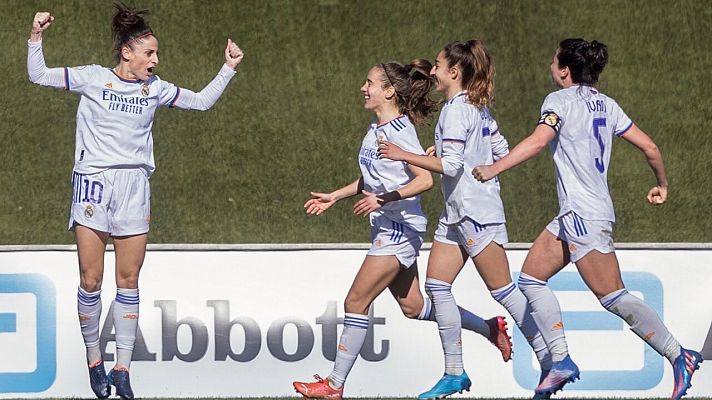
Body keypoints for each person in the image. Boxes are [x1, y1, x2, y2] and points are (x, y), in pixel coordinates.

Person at [27, 4, 243, 400]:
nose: (156, 60)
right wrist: (36, 36)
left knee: (128, 280)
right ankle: (95, 359)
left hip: (134, 186)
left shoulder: (155, 88)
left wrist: (227, 68)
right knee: (91, 279)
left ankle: (123, 368)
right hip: (93, 183)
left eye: (156, 54)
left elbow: (200, 102)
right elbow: (37, 75)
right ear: (127, 52)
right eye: (150, 53)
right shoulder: (93, 78)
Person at [473, 38, 703, 399]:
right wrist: (662, 185)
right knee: (531, 278)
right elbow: (651, 147)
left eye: (553, 62)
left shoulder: (558, 101)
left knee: (613, 297)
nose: (550, 67)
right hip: (575, 215)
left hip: (584, 216)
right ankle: (560, 360)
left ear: (564, 70)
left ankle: (679, 355)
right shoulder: (608, 105)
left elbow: (536, 141)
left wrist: (494, 167)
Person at [292, 59, 511, 400]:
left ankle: (334, 385)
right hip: (387, 226)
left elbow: (424, 179)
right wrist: (335, 195)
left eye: (370, 83)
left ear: (389, 92)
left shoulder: (400, 132)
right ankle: (490, 327)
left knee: (356, 300)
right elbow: (373, 176)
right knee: (414, 308)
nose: (363, 88)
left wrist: (383, 199)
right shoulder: (375, 129)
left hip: (399, 230)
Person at [377, 40, 552, 400]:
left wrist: (403, 154)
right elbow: (498, 150)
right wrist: (439, 151)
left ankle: (553, 359)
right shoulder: (475, 107)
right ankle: (455, 372)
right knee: (438, 287)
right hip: (457, 213)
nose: (434, 70)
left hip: (475, 212)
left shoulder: (456, 111)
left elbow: (455, 166)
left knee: (504, 291)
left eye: (439, 65)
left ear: (454, 72)